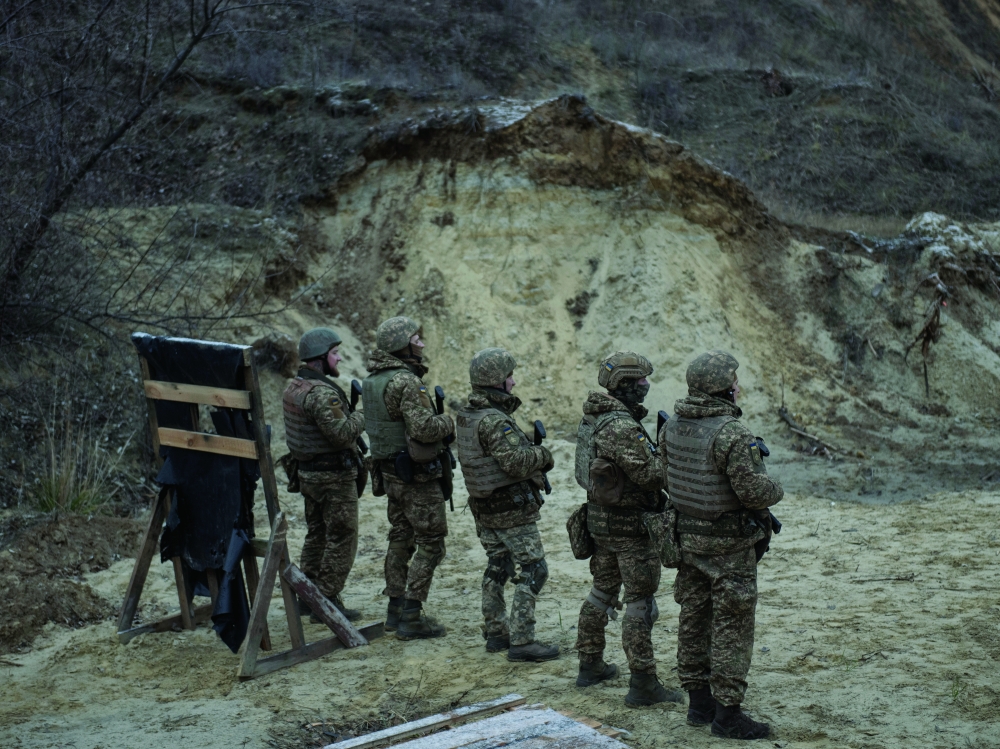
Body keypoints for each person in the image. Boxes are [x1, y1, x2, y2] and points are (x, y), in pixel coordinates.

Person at [659, 350, 783, 740]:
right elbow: (753, 491)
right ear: (724, 389)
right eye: (734, 382)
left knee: (693, 618)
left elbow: (666, 476)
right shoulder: (731, 434)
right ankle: (728, 715)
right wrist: (776, 488)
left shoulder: (672, 425)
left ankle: (699, 704)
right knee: (732, 623)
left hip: (687, 541)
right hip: (728, 547)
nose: (738, 387)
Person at [574, 352, 683, 707]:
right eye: (640, 381)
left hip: (601, 522)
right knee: (639, 604)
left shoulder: (594, 418)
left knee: (601, 593)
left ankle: (590, 663)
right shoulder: (622, 426)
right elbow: (650, 475)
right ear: (625, 385)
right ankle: (643, 683)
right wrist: (668, 453)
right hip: (630, 528)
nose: (647, 386)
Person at [455, 347, 558, 663]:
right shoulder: (494, 420)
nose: (513, 383)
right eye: (508, 377)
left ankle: (497, 632)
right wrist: (543, 455)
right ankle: (523, 639)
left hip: (484, 508)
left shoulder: (468, 415)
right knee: (534, 568)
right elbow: (516, 462)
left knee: (498, 564)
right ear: (495, 382)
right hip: (510, 509)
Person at [363, 316, 455, 640]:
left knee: (400, 537)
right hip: (416, 477)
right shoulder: (405, 381)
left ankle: (395, 609)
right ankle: (412, 615)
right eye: (417, 338)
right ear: (404, 344)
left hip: (390, 474)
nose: (422, 343)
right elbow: (424, 429)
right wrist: (448, 421)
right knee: (431, 544)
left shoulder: (372, 380)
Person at [281, 327, 366, 621]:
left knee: (317, 534)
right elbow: (343, 435)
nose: (339, 358)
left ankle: (308, 596)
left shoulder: (295, 387)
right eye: (334, 353)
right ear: (319, 359)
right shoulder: (320, 394)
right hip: (333, 478)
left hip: (308, 476)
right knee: (343, 535)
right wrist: (360, 415)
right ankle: (327, 600)